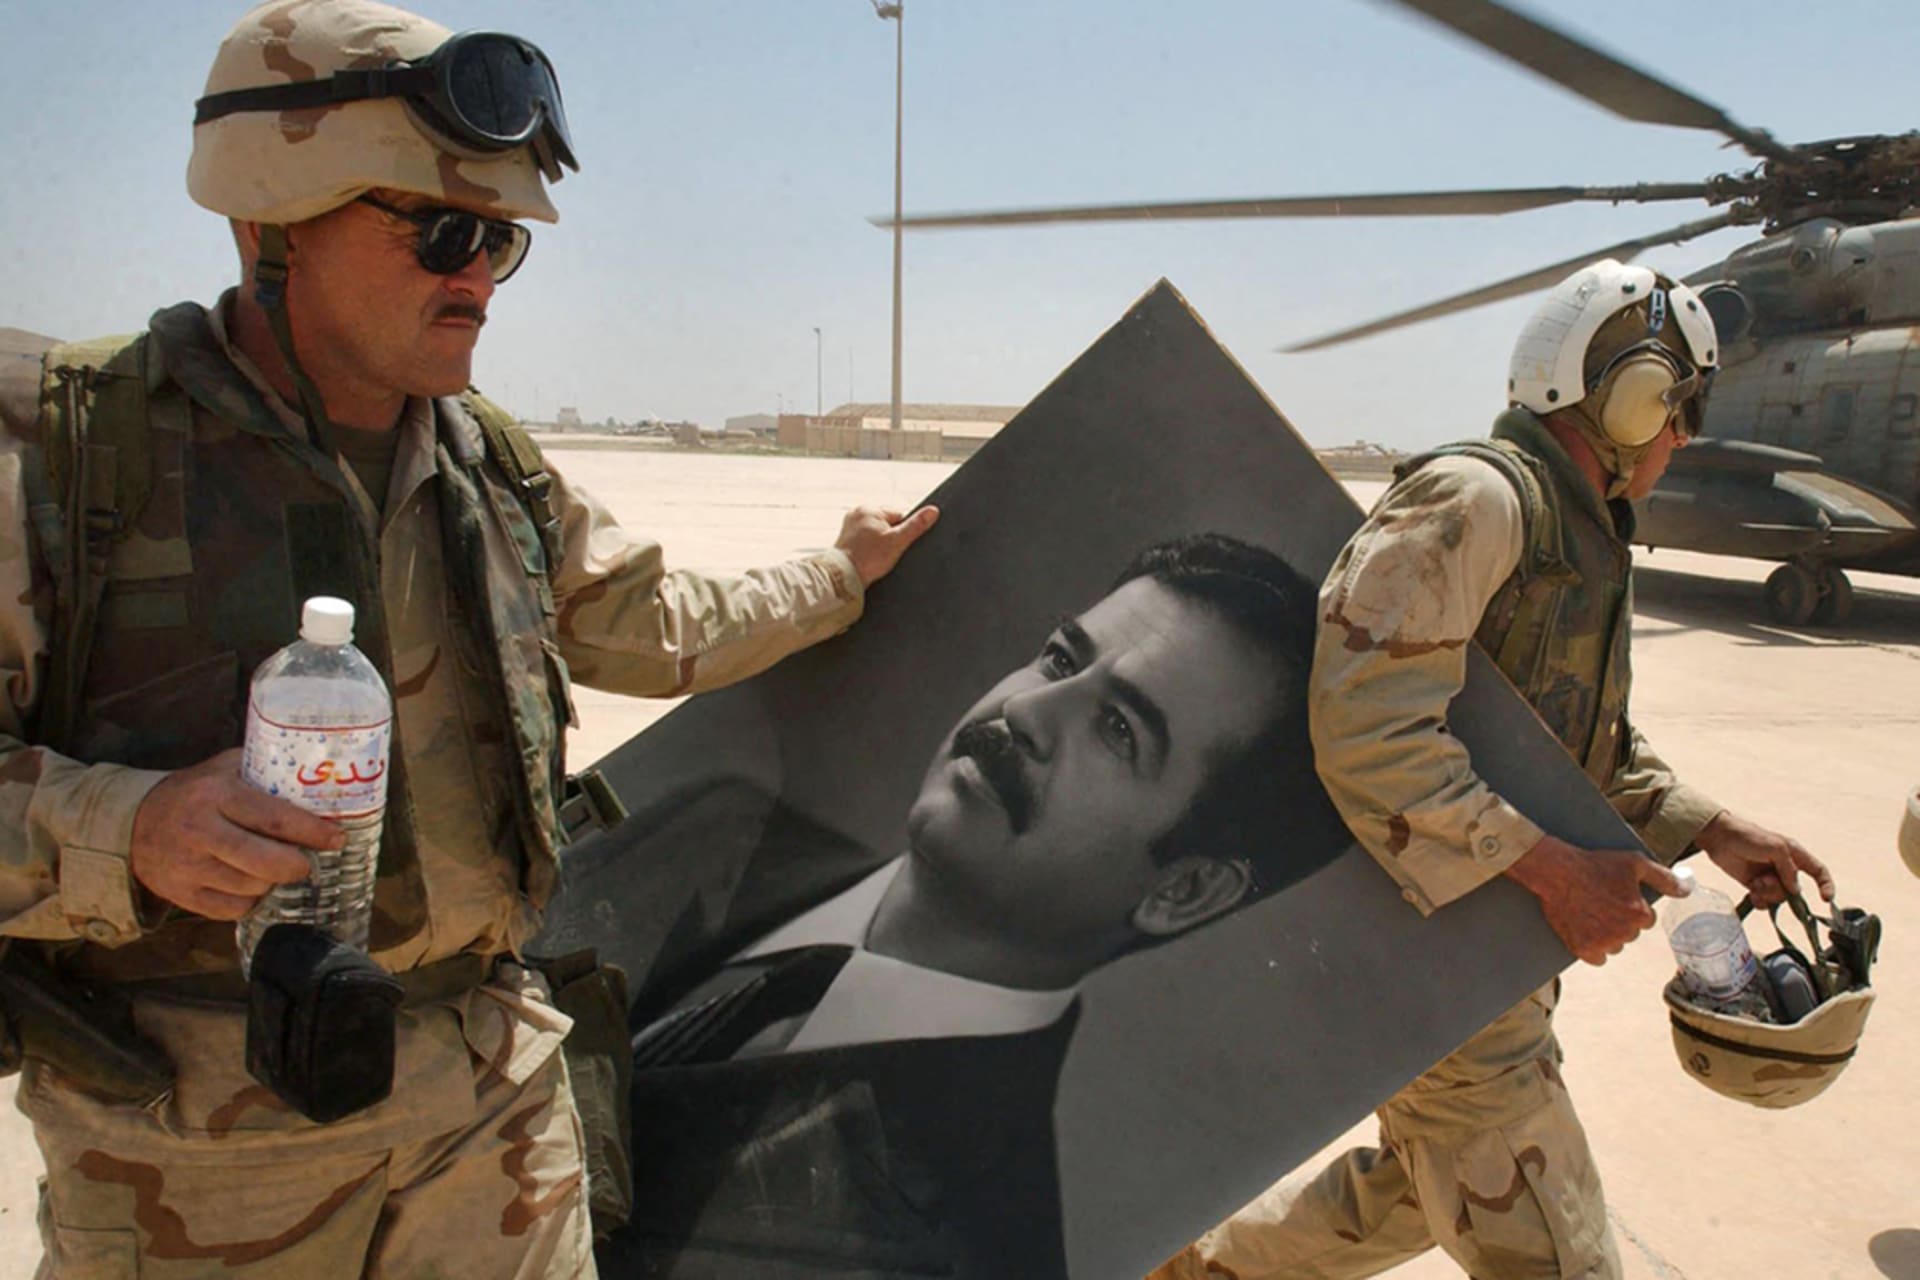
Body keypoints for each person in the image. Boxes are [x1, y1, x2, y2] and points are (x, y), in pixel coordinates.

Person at [0, 3, 936, 1277]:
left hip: (492, 1107)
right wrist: (132, 822)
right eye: (441, 232)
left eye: (499, 240)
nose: (479, 277)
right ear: (269, 222)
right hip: (198, 1145)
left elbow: (655, 623)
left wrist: (840, 571)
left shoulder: (487, 463)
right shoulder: (67, 459)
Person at [1153, 260, 1835, 1280]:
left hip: (1478, 958)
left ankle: (1195, 1268)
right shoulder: (1476, 502)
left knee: (1418, 1195)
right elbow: (1369, 734)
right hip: (1430, 968)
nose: (1685, 436)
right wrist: (1559, 870)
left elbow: (1565, 739)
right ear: (1631, 396)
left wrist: (1707, 825)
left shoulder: (1574, 528)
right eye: (1681, 407)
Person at [603, 534, 1351, 1278]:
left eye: (1118, 728)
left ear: (1182, 890)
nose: (1026, 708)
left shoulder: (967, 1251)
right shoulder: (706, 828)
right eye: (1062, 658)